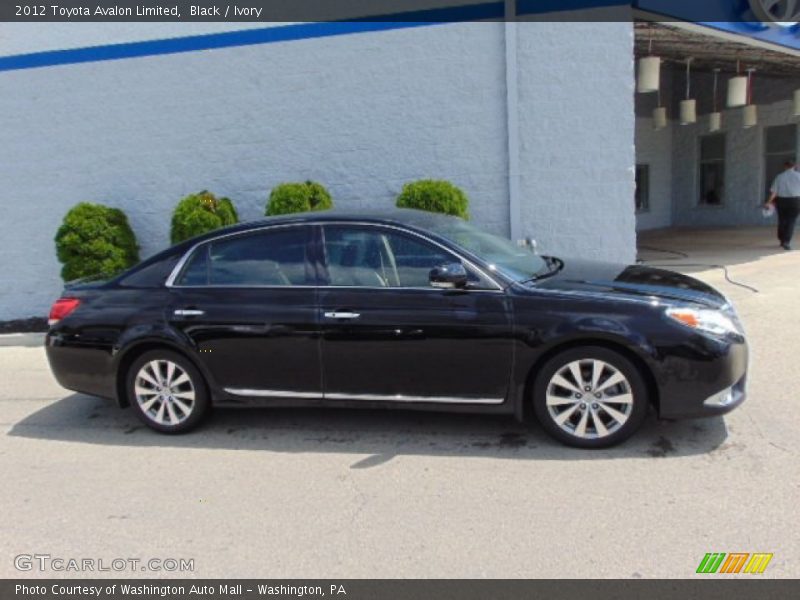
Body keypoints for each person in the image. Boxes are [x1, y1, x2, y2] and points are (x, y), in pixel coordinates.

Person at [765, 160, 800, 250]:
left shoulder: (779, 177)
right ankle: (786, 241)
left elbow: (774, 192)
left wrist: (769, 201)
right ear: (794, 166)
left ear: (785, 166)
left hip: (782, 201)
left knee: (782, 220)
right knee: (791, 221)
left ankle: (781, 239)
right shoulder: (798, 176)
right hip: (795, 201)